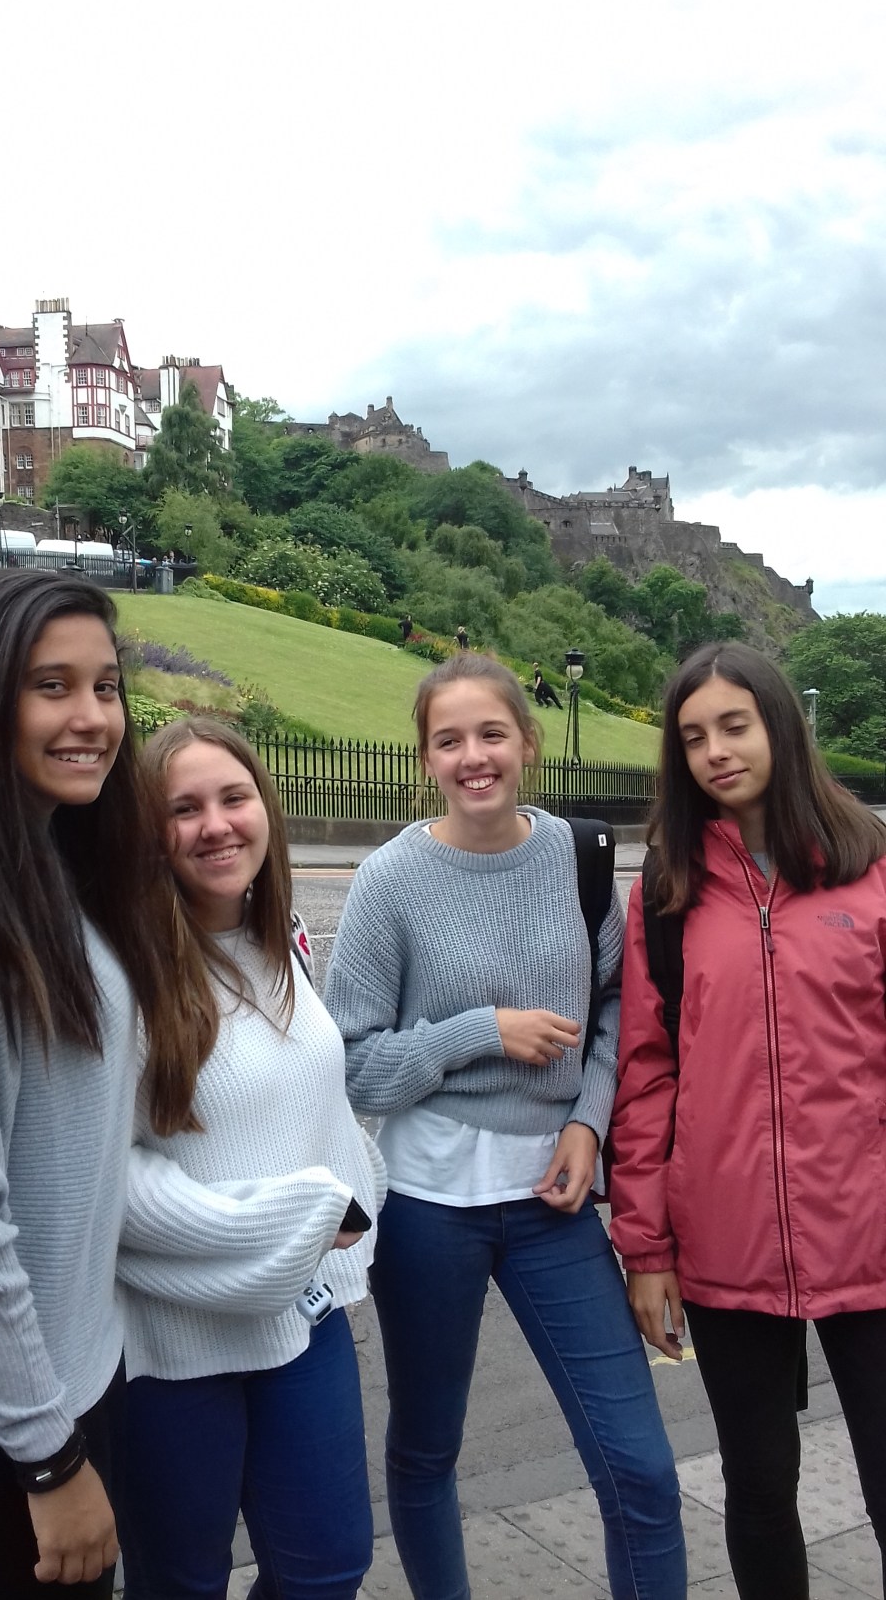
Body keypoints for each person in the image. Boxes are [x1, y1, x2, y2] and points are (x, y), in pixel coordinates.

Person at [324, 654, 685, 1600]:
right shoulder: (391, 881)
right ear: (425, 759)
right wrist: (478, 1032)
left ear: (528, 741)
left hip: (552, 1203)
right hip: (427, 1205)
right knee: (426, 1447)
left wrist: (590, 1122)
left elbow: (618, 1012)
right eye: (449, 740)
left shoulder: (580, 856)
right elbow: (351, 1063)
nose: (473, 756)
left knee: (641, 1467)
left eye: (492, 734)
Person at [0, 570, 193, 1600]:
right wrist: (49, 1458)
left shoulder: (54, 880)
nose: (93, 717)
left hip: (73, 1386)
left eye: (107, 686)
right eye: (52, 686)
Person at [609, 642, 886, 1600]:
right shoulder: (669, 890)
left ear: (782, 725)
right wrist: (646, 1247)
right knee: (761, 1486)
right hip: (726, 1240)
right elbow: (646, 1073)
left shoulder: (871, 871)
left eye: (735, 725)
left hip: (869, 1232)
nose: (716, 751)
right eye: (693, 737)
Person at [116, 716, 385, 1600]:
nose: (216, 825)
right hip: (171, 1343)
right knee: (181, 1583)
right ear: (149, 830)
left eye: (234, 797)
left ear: (266, 806)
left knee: (329, 1565)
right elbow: (101, 1176)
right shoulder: (119, 969)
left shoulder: (282, 940)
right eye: (183, 808)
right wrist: (296, 1217)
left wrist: (353, 1194)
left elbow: (313, 1105)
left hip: (302, 1317)